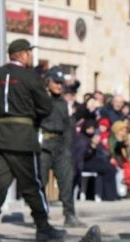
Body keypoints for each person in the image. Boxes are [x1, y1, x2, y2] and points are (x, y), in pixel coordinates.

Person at [0, 38, 64, 242]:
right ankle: (43, 226)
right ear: (21, 54)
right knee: (32, 183)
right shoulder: (30, 77)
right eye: (29, 53)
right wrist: (31, 119)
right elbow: (45, 106)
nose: (31, 56)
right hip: (22, 137)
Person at [39, 66, 83, 228]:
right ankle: (42, 219)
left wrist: (67, 148)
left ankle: (69, 214)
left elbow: (68, 127)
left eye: (61, 83)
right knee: (40, 183)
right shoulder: (41, 100)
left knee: (66, 180)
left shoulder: (63, 103)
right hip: (43, 144)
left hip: (60, 145)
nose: (59, 86)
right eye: (56, 82)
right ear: (48, 82)